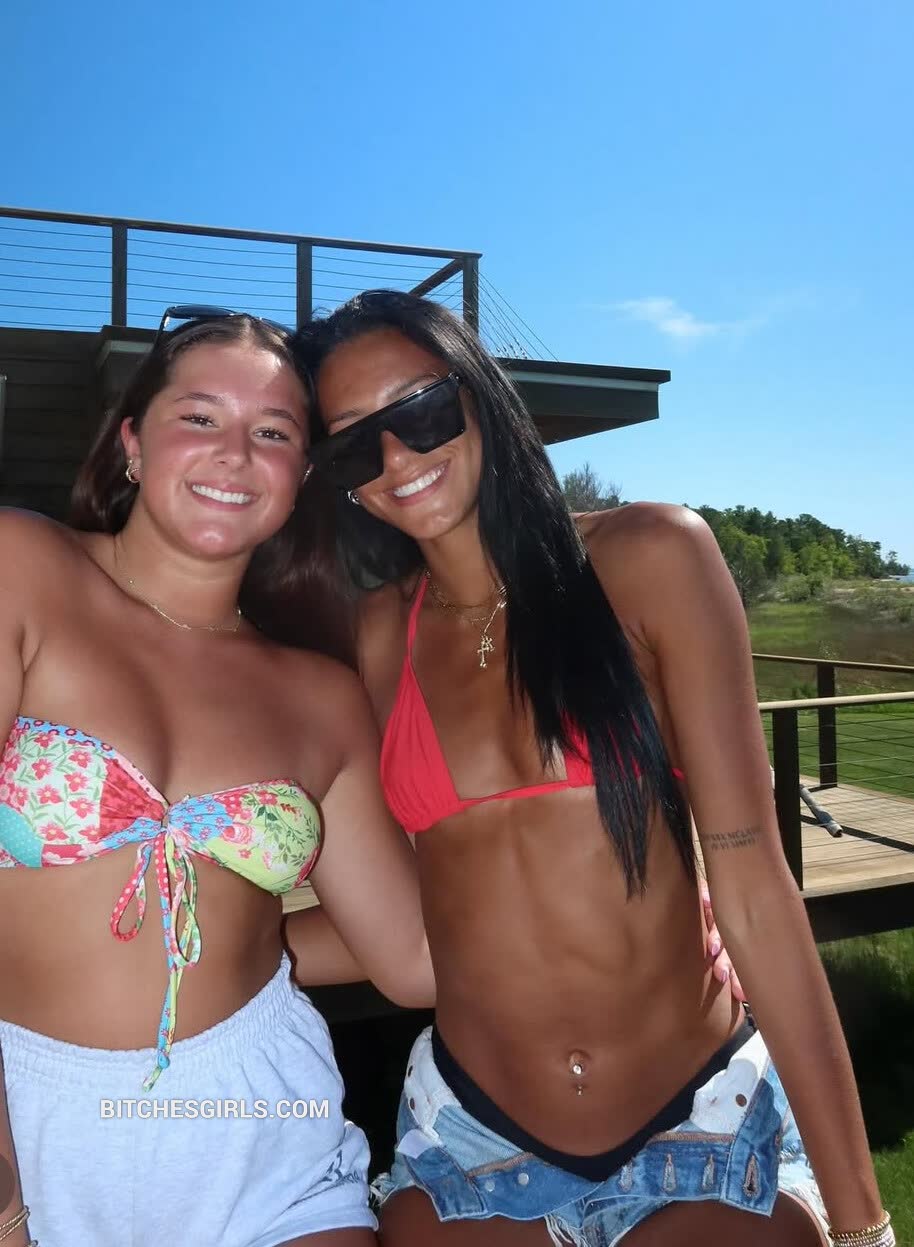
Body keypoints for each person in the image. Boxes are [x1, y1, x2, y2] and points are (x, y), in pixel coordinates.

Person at [292, 290, 893, 1247]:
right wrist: (210, 940)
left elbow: (754, 886)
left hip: (700, 1118)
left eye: (421, 410)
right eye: (356, 445)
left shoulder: (651, 558)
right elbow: (413, 920)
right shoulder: (377, 634)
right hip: (472, 1142)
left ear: (479, 394)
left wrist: (863, 1222)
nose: (398, 458)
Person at [0, 307, 437, 1247]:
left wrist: (650, 900)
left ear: (302, 477)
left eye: (273, 432)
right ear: (131, 441)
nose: (235, 453)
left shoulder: (319, 693)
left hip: (260, 1124)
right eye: (200, 417)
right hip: (29, 1118)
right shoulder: (21, 568)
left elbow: (412, 956)